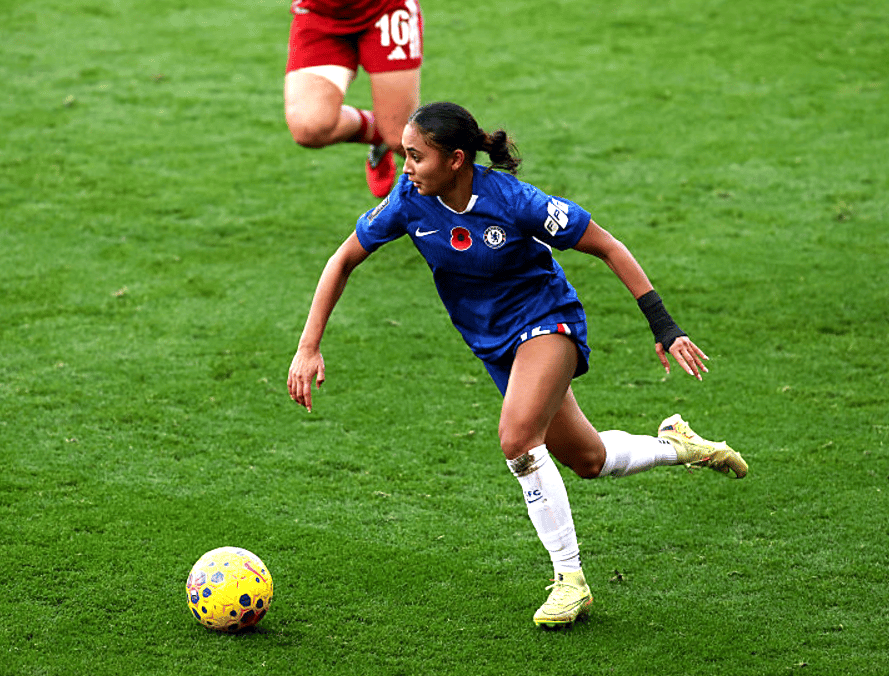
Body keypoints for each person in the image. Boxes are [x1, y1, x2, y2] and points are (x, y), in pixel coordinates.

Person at [286, 102, 748, 628]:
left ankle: (570, 581)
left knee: (518, 439)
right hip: (494, 345)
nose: (406, 167)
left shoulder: (514, 201)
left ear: (456, 160)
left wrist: (664, 325)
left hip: (547, 323)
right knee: (588, 459)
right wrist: (308, 345)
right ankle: (679, 446)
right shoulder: (410, 202)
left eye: (416, 156)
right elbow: (342, 259)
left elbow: (608, 246)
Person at [283, 0, 423, 198]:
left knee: (401, 139)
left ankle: (463, 201)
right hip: (321, 12)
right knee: (309, 127)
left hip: (385, 9)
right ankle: (378, 133)